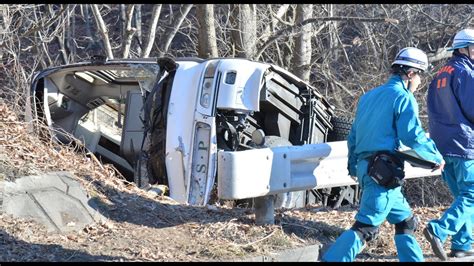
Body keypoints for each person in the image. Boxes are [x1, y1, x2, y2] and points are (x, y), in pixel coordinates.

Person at [321, 47, 445, 262]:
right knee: (366, 227)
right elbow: (412, 135)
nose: (420, 82)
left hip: (368, 169)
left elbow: (353, 136)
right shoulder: (403, 97)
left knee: (406, 222)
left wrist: (352, 166)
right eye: (420, 76)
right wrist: (435, 157)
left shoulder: (368, 97)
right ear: (411, 74)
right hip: (383, 173)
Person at [424, 28, 474, 261]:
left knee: (462, 197)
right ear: (464, 48)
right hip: (464, 145)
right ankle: (439, 230)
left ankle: (462, 245)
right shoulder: (466, 73)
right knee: (472, 195)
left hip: (442, 145)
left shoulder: (440, 75)